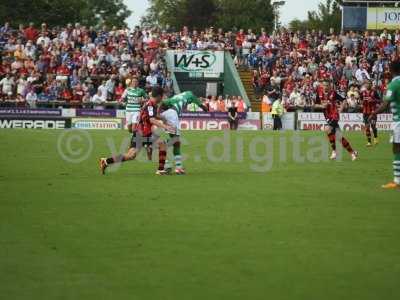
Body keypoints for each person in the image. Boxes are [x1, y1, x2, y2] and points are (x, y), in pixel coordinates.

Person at [100, 87, 173, 176]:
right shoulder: (151, 105)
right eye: (162, 96)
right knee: (162, 144)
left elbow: (153, 116)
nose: (162, 98)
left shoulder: (150, 103)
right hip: (143, 133)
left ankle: (106, 161)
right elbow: (152, 120)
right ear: (158, 96)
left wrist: (163, 118)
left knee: (131, 155)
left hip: (141, 132)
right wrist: (166, 126)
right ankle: (160, 170)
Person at [158, 91, 208, 175]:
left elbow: (164, 103)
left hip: (168, 114)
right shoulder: (191, 95)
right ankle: (172, 165)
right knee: (175, 141)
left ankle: (175, 166)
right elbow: (202, 106)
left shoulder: (176, 97)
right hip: (172, 114)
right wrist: (204, 108)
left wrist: (159, 114)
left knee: (176, 142)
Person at [369, 60, 400, 189]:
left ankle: (397, 180)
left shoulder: (394, 84)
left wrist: (374, 113)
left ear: (392, 70)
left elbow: (386, 104)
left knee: (396, 148)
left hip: (398, 121)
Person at [315, 82, 358, 161]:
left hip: (334, 115)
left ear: (330, 86)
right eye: (324, 85)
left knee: (327, 129)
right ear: (322, 86)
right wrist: (321, 106)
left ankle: (335, 151)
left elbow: (344, 100)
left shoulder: (333, 93)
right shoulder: (319, 94)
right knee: (339, 137)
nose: (325, 87)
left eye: (327, 85)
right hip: (327, 116)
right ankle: (352, 152)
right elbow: (315, 105)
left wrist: (341, 108)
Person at [360, 82, 379, 147]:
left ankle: (376, 137)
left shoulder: (374, 92)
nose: (367, 85)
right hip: (365, 113)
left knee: (373, 126)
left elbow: (379, 100)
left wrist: (373, 100)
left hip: (373, 112)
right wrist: (361, 102)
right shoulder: (362, 92)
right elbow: (360, 100)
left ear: (370, 85)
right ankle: (369, 142)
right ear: (365, 85)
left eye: (368, 84)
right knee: (367, 127)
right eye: (366, 84)